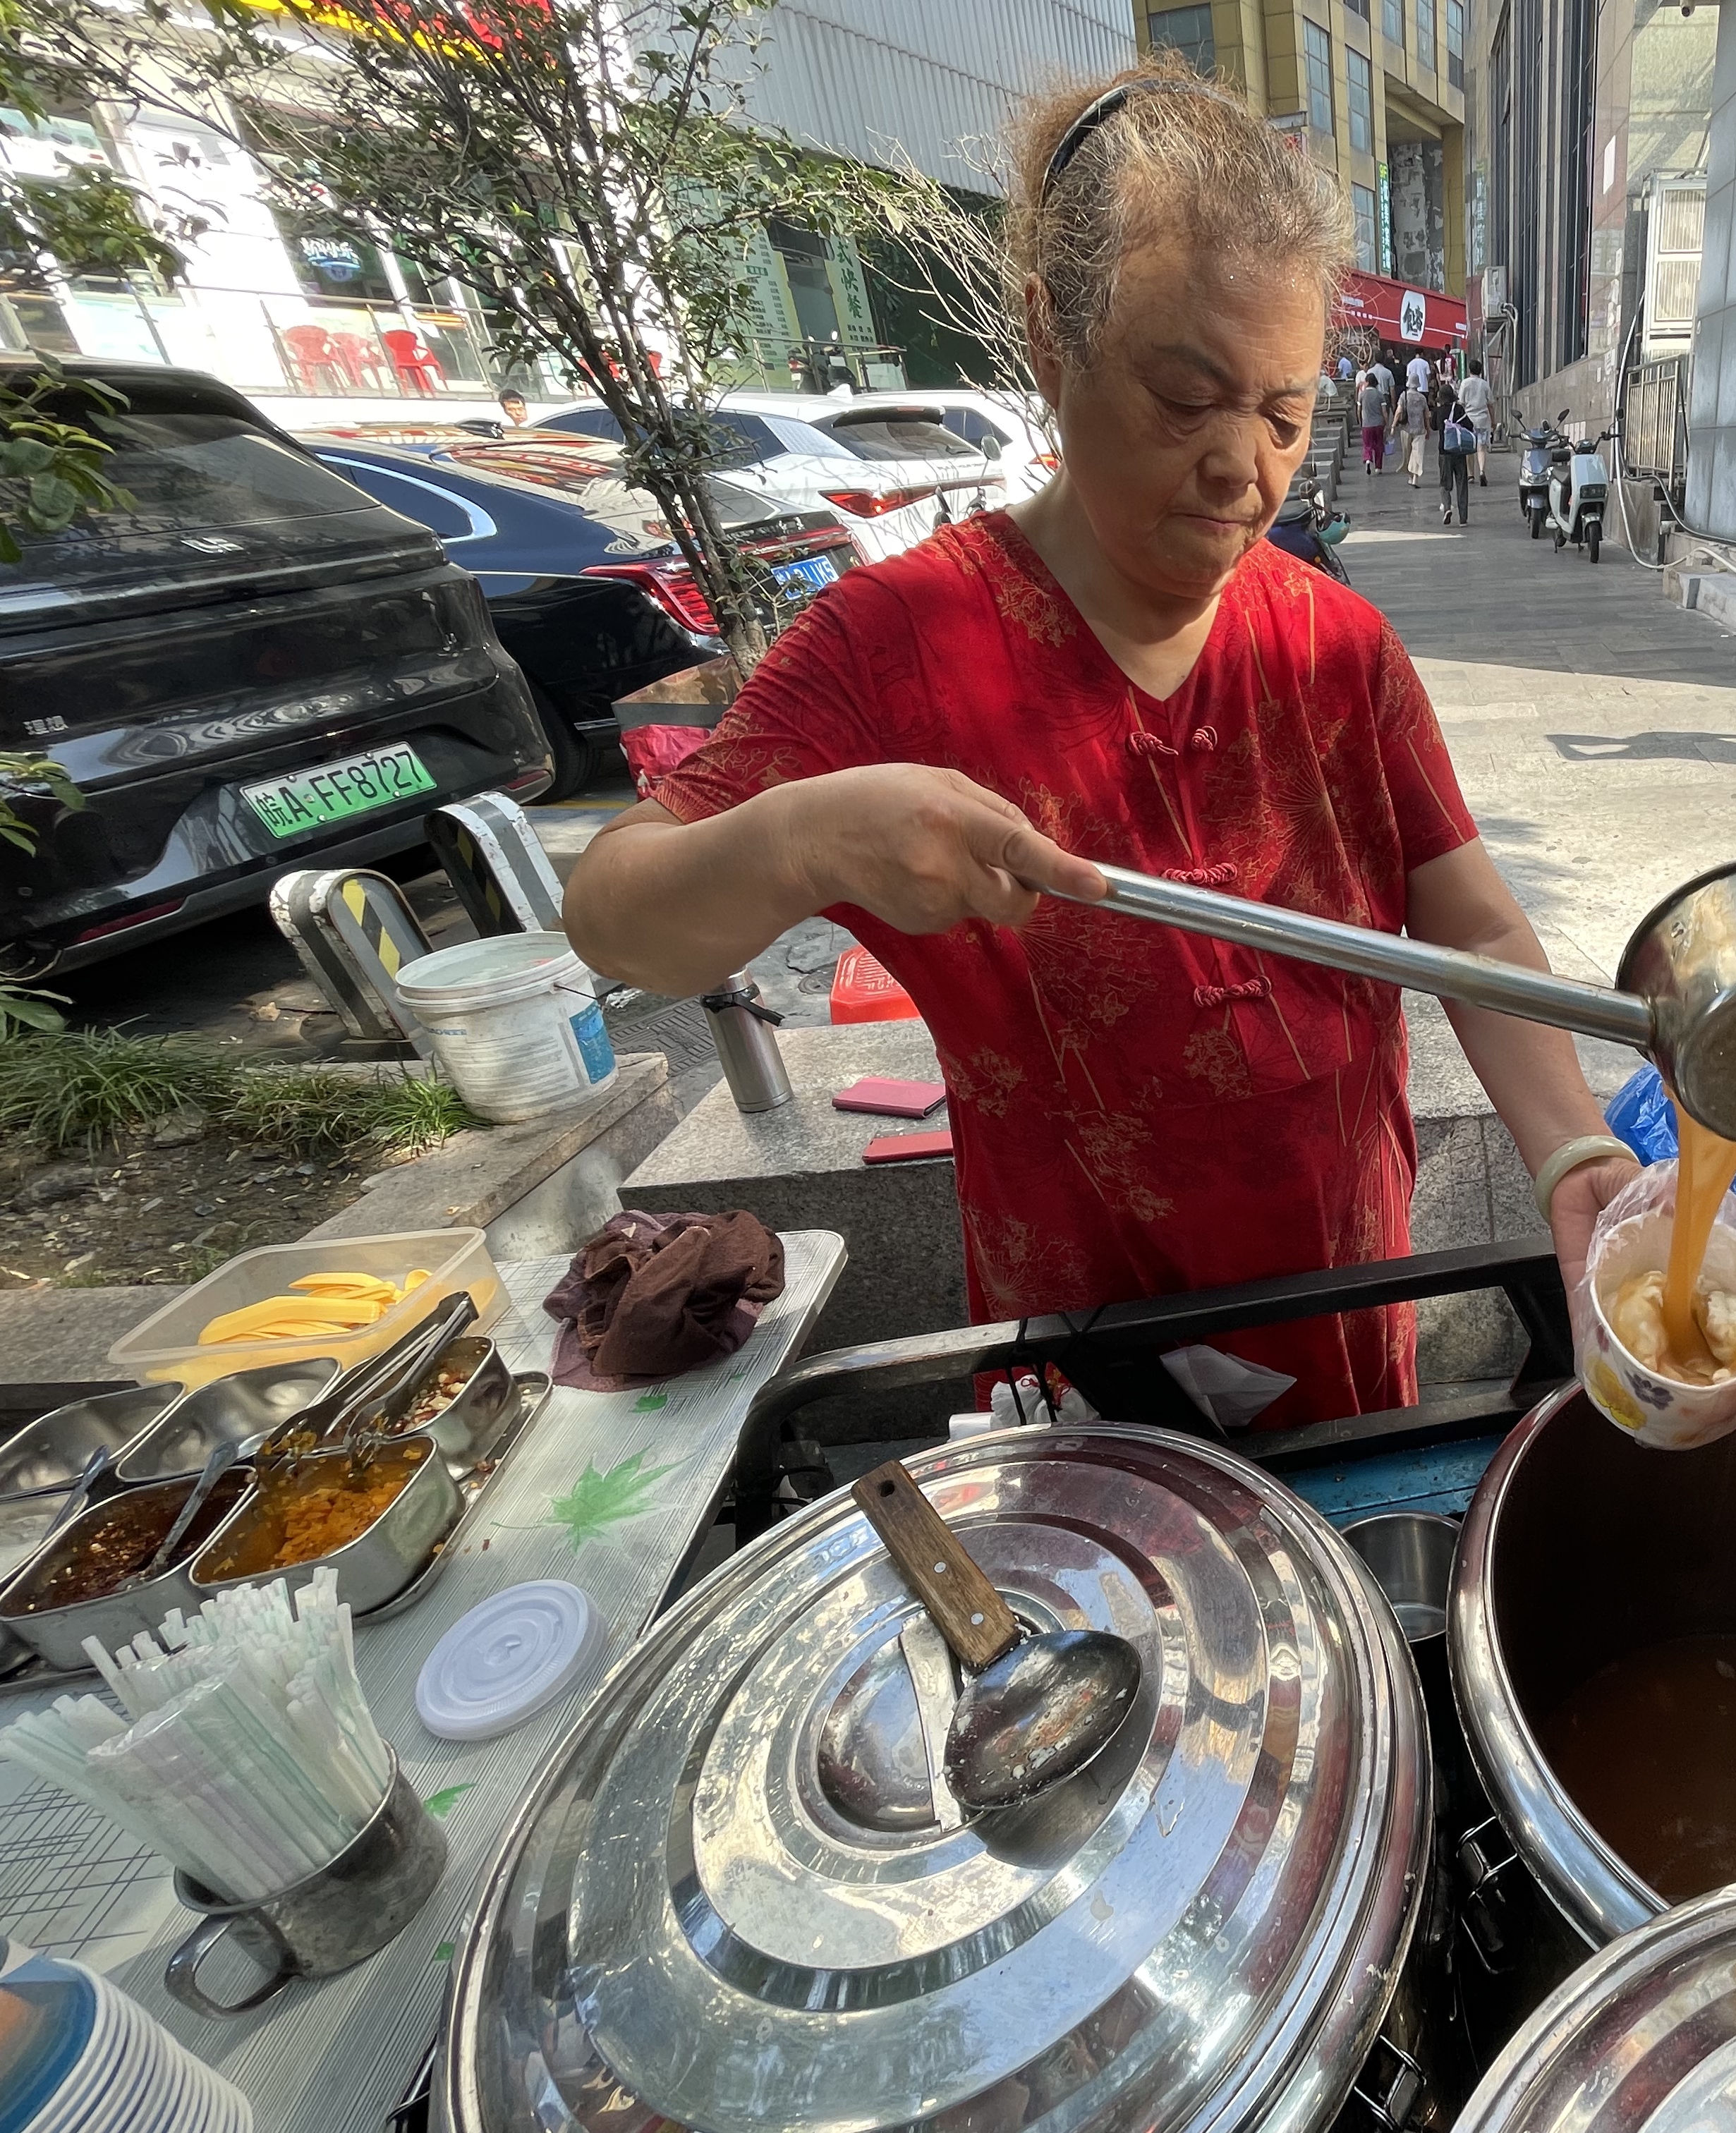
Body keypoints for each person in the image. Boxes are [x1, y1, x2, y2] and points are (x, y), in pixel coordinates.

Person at [559, 60, 1635, 1431]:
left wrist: (1570, 1149)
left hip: (1346, 1295)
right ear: (1047, 337)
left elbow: (1469, 931)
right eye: (1185, 398)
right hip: (1084, 1353)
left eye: (1285, 413)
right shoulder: (903, 643)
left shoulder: (1336, 647)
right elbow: (617, 917)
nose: (1243, 466)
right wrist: (803, 838)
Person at [1435, 379, 1475, 525]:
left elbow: (1433, 426)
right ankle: (1463, 518)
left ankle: (1447, 508)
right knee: (1462, 483)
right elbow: (1469, 425)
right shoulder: (1458, 409)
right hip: (1459, 451)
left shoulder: (1439, 411)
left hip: (1444, 452)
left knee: (1445, 483)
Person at [1455, 358, 1493, 486]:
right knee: (1481, 447)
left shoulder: (1465, 383)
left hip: (1468, 420)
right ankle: (1482, 471)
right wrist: (1493, 421)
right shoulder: (1485, 384)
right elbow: (1491, 404)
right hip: (1482, 420)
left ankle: (1471, 475)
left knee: (1470, 448)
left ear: (1469, 370)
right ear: (1480, 371)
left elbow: (1461, 403)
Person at [1396, 372, 1431, 485]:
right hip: (1420, 429)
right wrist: (1428, 429)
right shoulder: (1422, 398)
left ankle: (1410, 476)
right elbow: (1426, 415)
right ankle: (1415, 477)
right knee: (1417, 453)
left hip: (1406, 429)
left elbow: (1399, 411)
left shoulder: (1404, 396)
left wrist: (1393, 425)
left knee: (1408, 453)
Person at [1356, 364, 1390, 473]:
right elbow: (1384, 412)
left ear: (1367, 382)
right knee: (1379, 445)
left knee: (1367, 445)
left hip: (1366, 424)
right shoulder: (1380, 395)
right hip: (1379, 423)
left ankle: (1368, 459)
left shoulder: (1362, 395)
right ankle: (1378, 468)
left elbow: (1359, 410)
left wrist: (1360, 422)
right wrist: (1387, 424)